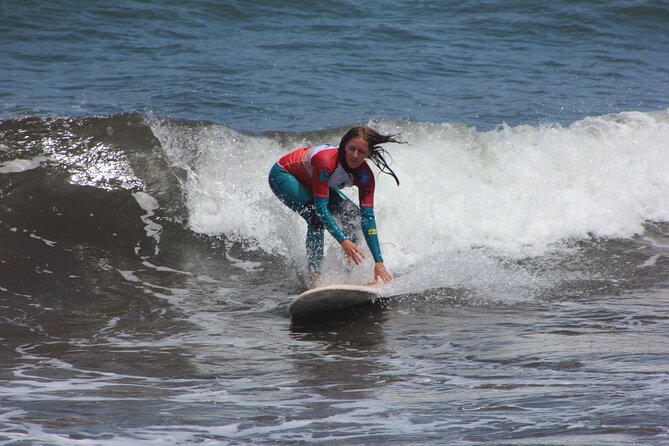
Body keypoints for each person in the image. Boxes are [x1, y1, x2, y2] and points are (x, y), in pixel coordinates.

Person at [268, 126, 401, 286]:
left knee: (354, 218)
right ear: (344, 145)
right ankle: (314, 276)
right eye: (351, 149)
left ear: (368, 153)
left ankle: (348, 272)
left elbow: (368, 218)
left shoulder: (365, 176)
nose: (355, 155)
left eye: (361, 151)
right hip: (284, 175)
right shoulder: (326, 161)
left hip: (313, 179)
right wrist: (343, 241)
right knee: (316, 218)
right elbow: (321, 209)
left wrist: (379, 262)